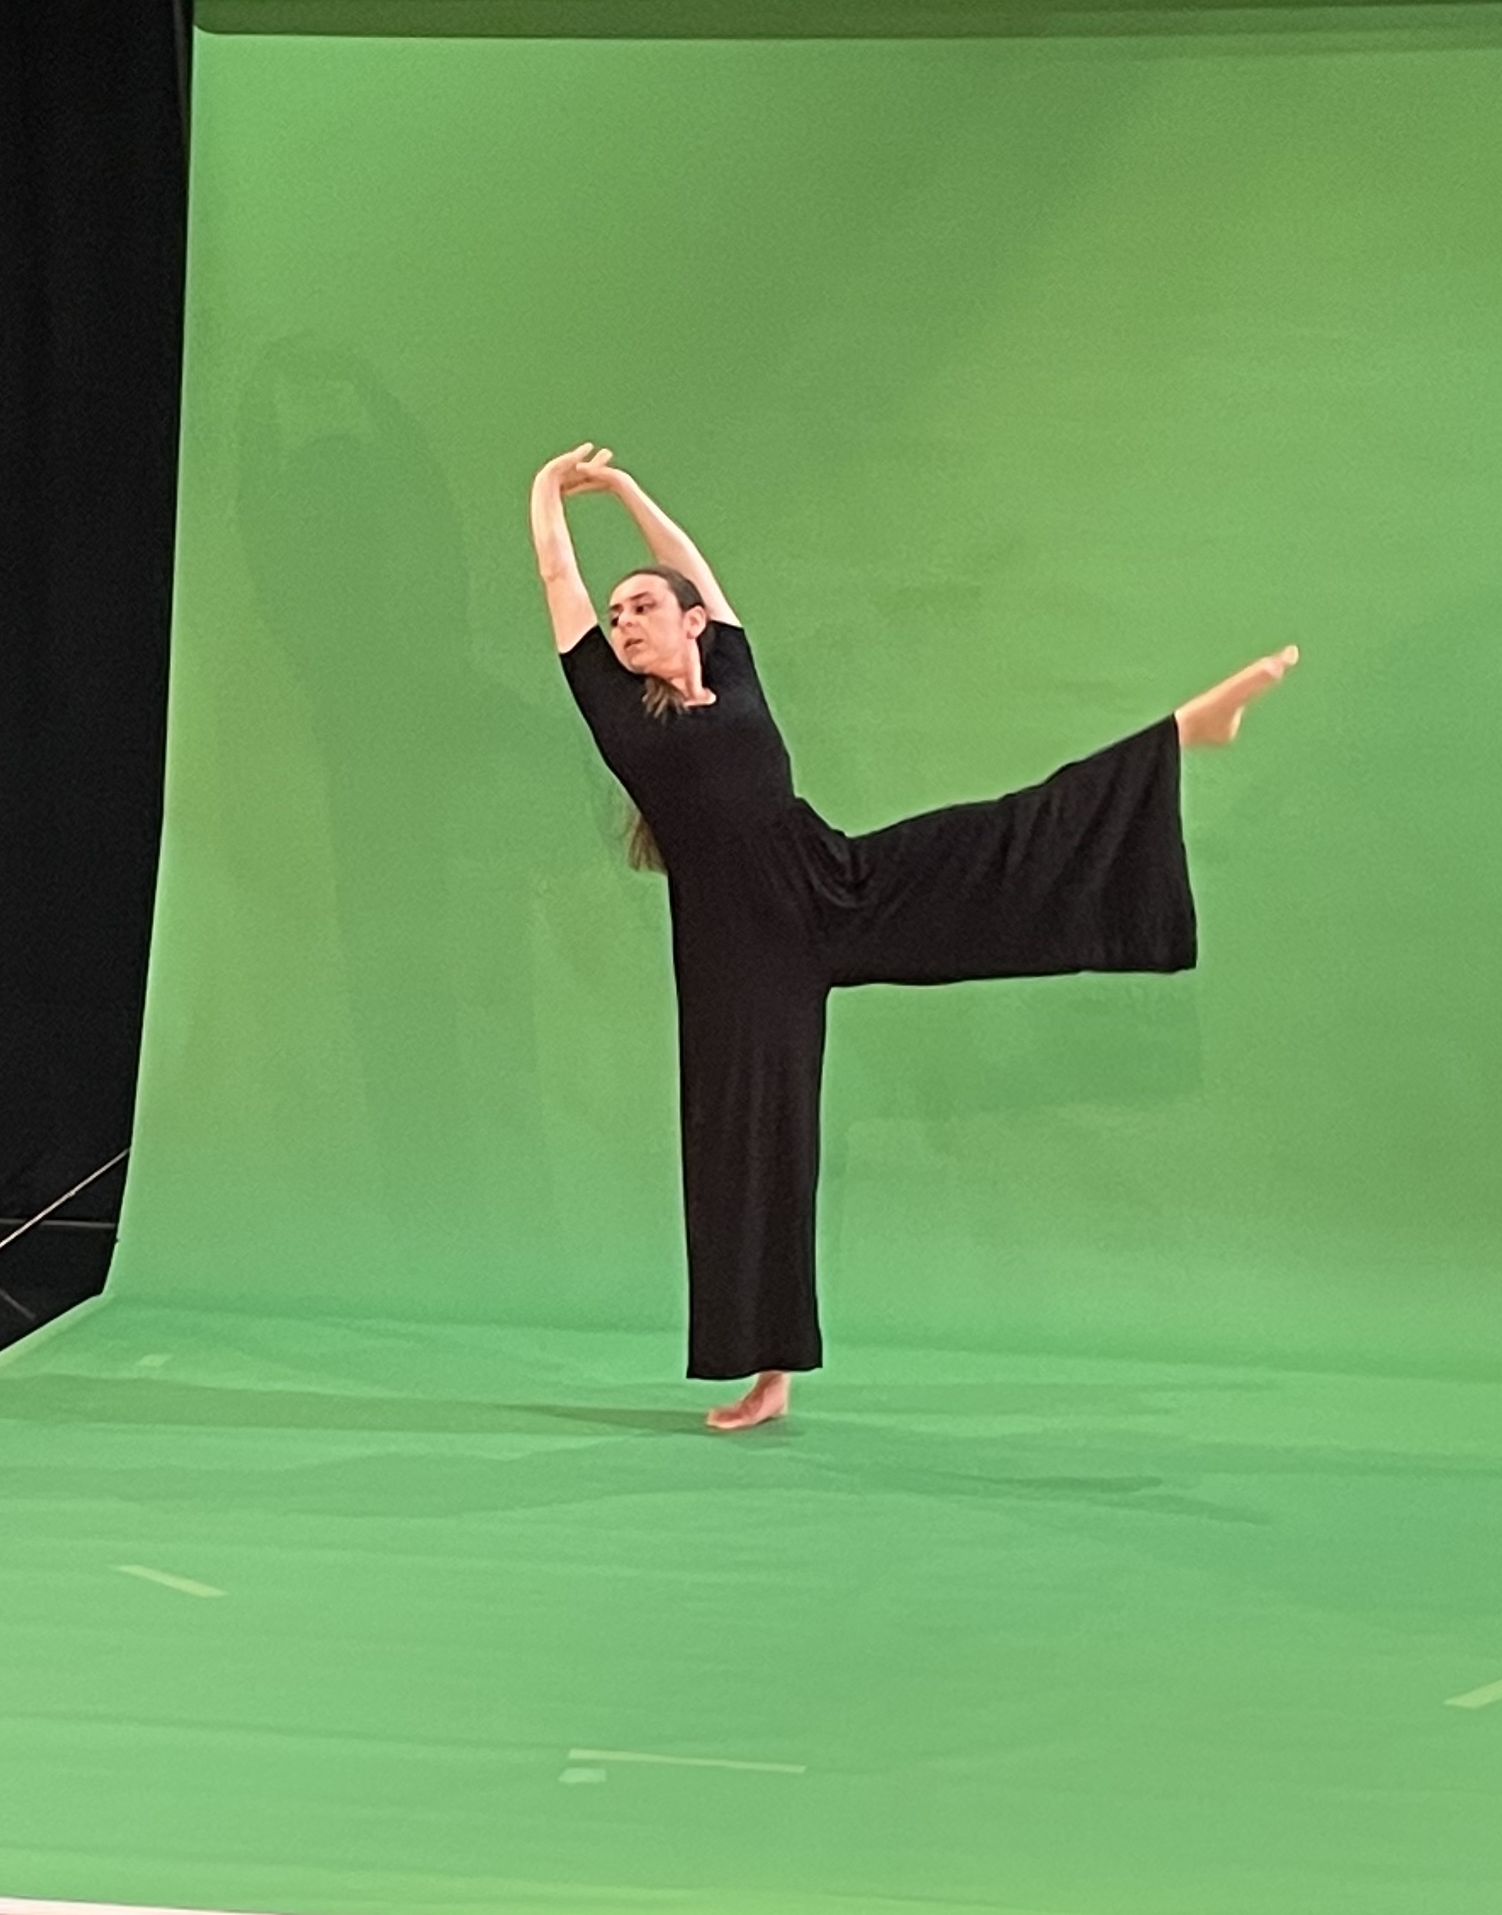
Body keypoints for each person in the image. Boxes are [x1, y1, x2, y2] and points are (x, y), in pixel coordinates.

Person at [531, 442, 1296, 1432]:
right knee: (753, 1147)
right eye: (619, 612)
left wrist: (630, 491)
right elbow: (559, 576)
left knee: (995, 839)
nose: (626, 620)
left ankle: (1184, 734)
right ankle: (769, 1372)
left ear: (690, 623)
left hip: (833, 882)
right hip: (737, 955)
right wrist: (550, 490)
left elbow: (687, 558)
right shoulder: (618, 712)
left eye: (643, 606)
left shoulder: (731, 660)